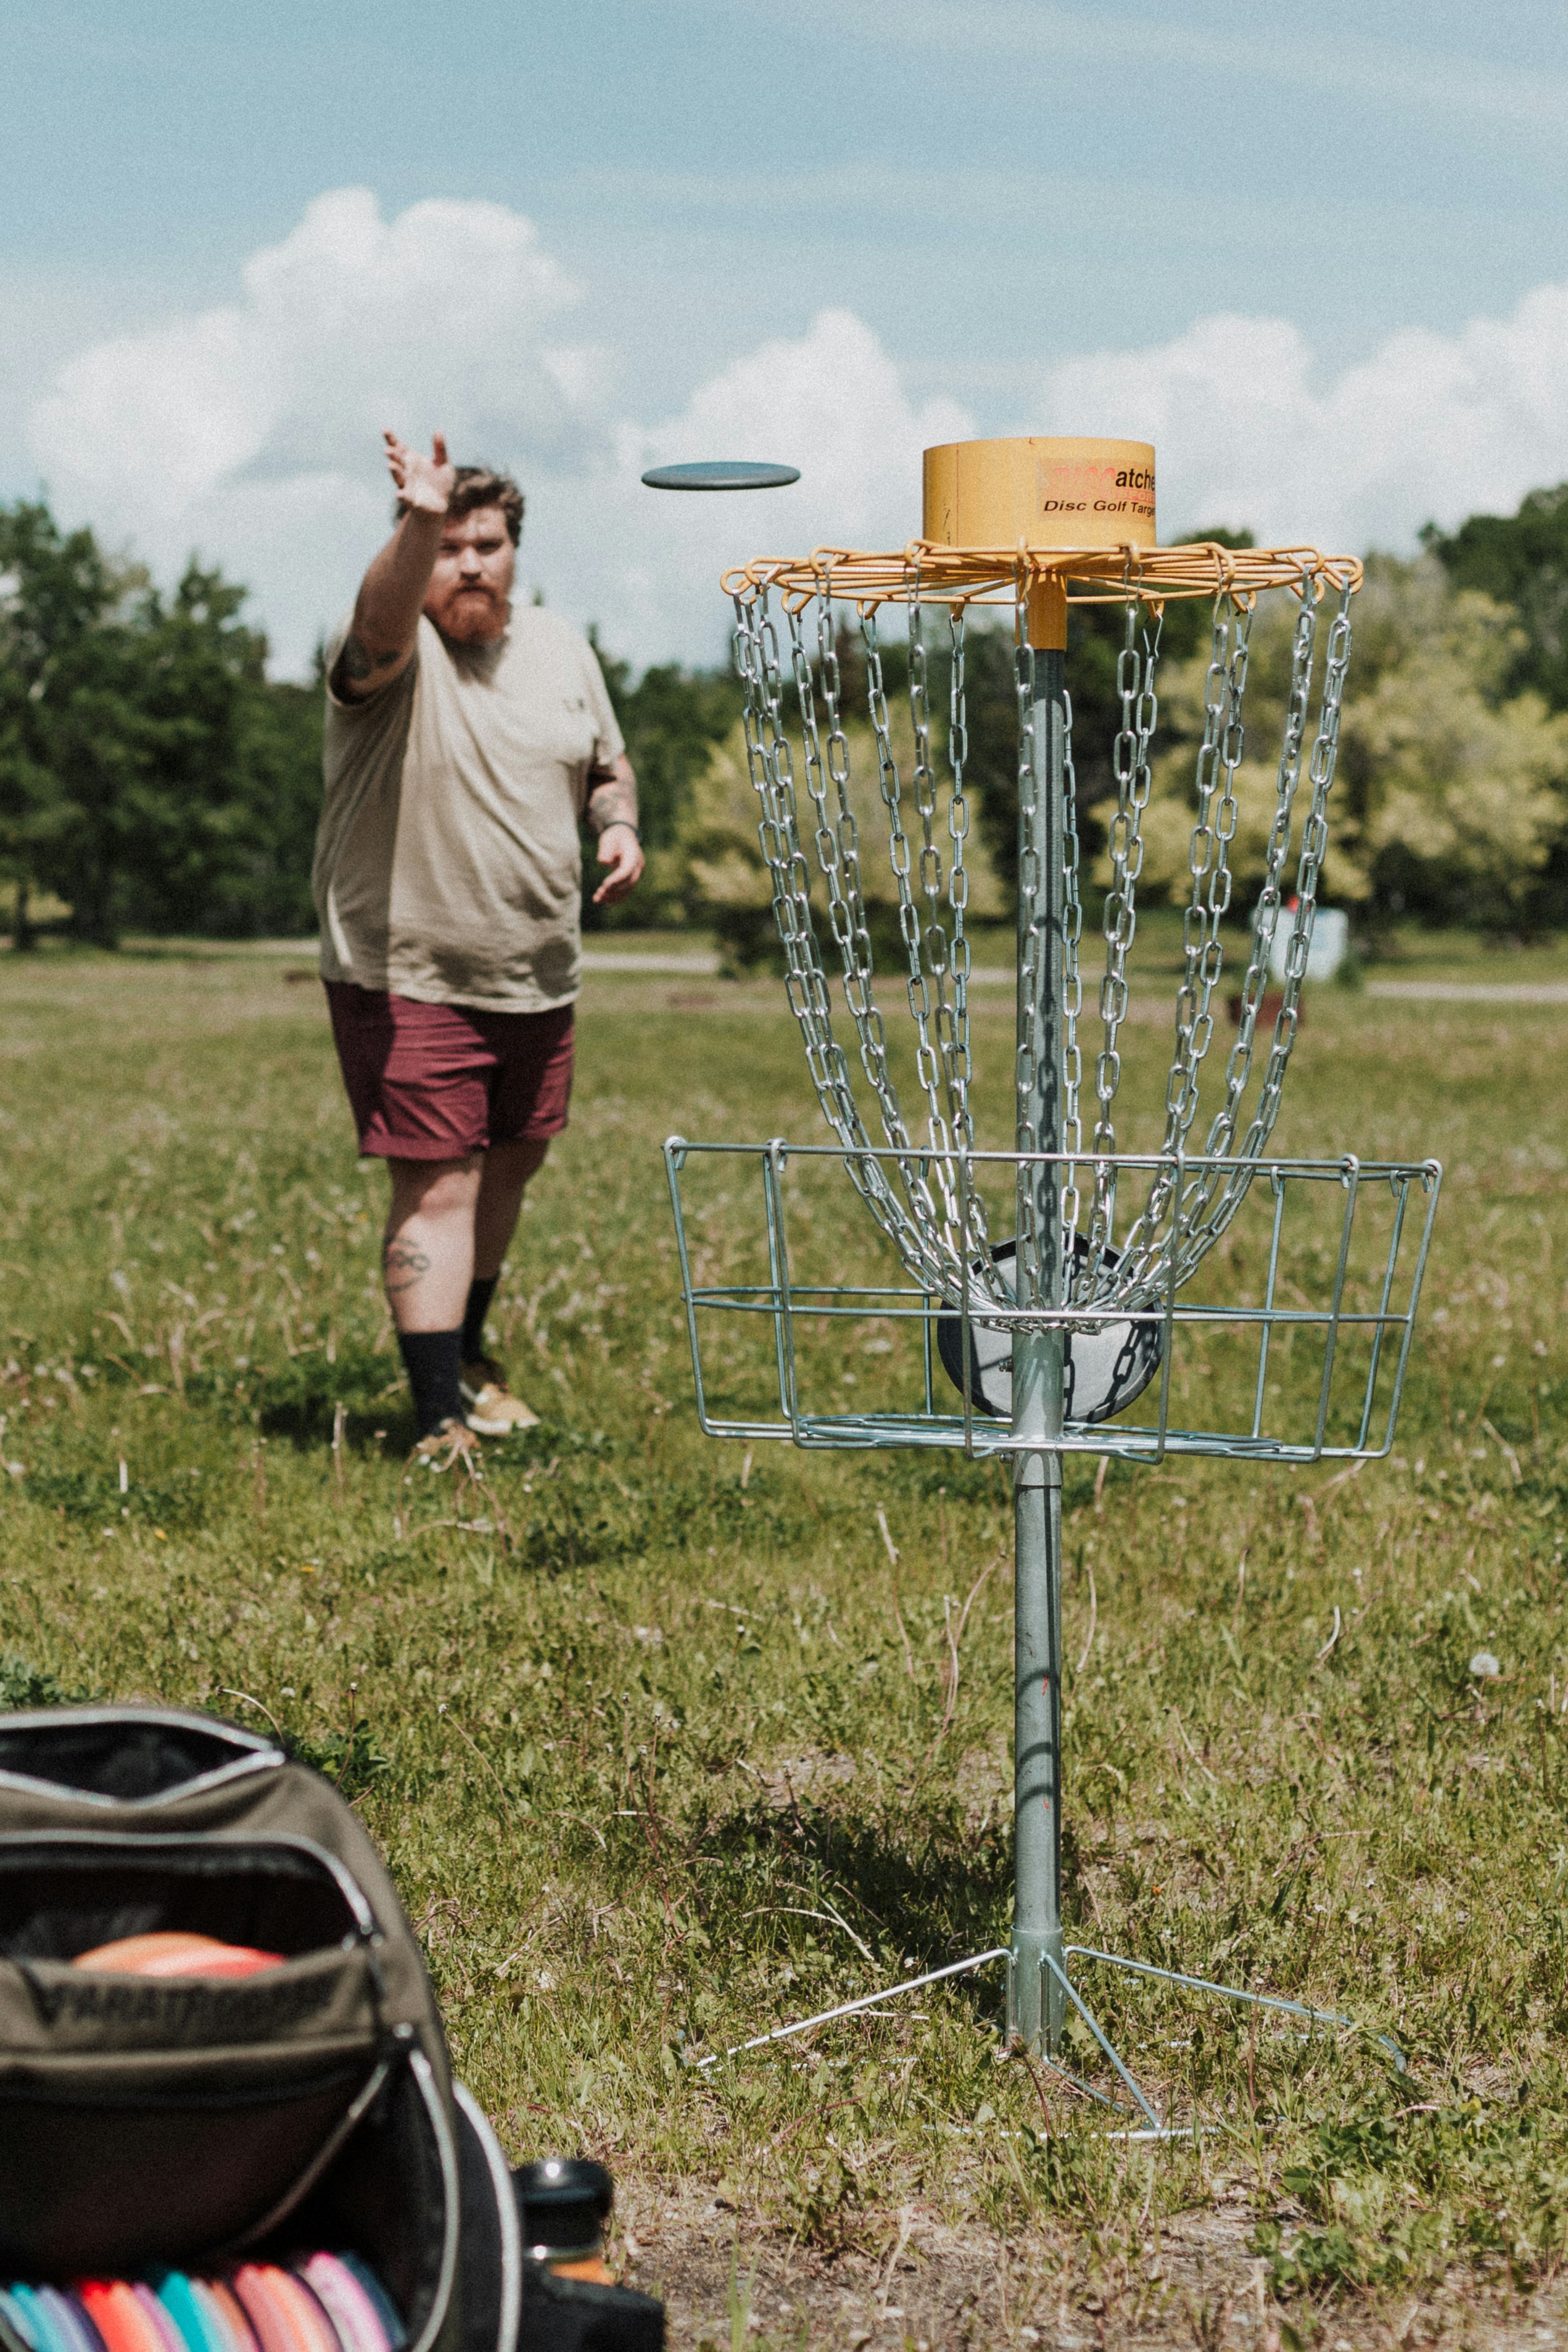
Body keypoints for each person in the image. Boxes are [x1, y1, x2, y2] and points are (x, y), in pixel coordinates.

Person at [314, 430, 643, 1459]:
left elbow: (605, 762)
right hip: (410, 970)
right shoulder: (393, 652)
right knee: (440, 1184)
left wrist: (618, 823)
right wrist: (417, 514)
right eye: (446, 545)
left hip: (537, 971)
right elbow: (376, 621)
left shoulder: (558, 647)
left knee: (512, 1165)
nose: (468, 563)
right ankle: (437, 1422)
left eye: (485, 543)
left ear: (513, 549)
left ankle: (466, 1354)